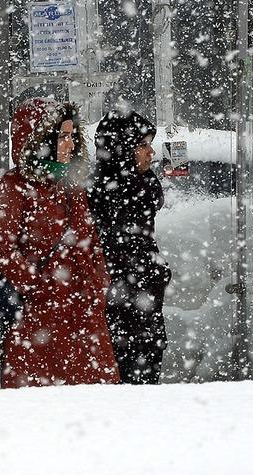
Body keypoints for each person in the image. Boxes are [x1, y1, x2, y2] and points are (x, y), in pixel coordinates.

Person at [0, 97, 120, 388]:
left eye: (72, 136)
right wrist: (38, 288)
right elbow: (3, 250)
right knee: (41, 398)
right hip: (39, 314)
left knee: (91, 397)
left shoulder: (71, 184)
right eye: (62, 136)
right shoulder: (12, 187)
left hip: (83, 310)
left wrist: (98, 285)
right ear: (39, 142)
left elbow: (90, 241)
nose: (70, 144)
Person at [88, 109, 172, 385]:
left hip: (141, 315)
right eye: (143, 145)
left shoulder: (139, 185)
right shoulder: (107, 194)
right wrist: (153, 273)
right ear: (122, 149)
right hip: (121, 318)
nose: (151, 152)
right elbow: (121, 256)